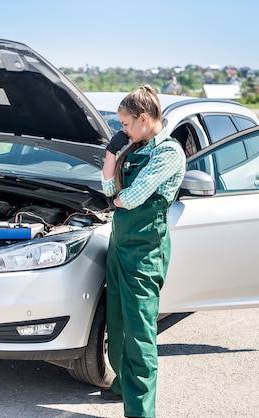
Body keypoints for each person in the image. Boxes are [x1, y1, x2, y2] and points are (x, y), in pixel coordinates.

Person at [100, 85, 186, 417]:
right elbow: (108, 187)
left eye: (124, 125)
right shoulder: (135, 146)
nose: (123, 131)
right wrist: (111, 152)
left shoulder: (167, 153)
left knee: (139, 331)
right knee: (118, 323)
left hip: (145, 252)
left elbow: (132, 197)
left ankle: (140, 411)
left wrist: (117, 199)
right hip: (119, 244)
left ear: (144, 118)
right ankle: (123, 385)